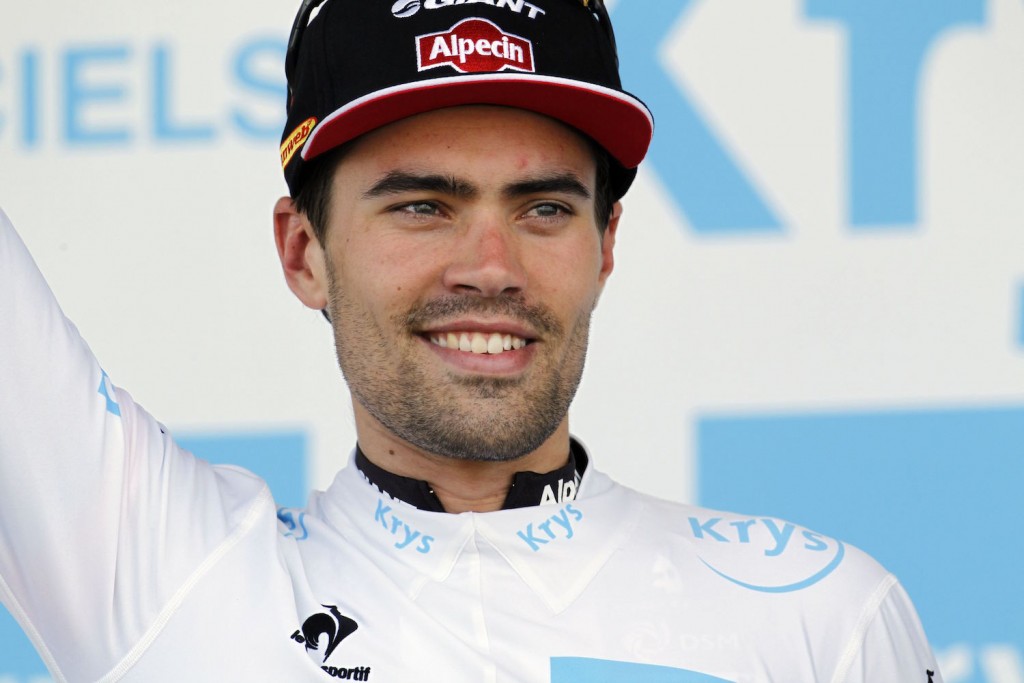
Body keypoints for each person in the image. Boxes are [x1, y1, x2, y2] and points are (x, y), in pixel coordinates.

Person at [0, 1, 943, 681]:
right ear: (303, 252)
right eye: (423, 204)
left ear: (606, 245)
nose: (490, 265)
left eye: (542, 207)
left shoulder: (823, 623)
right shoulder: (175, 583)